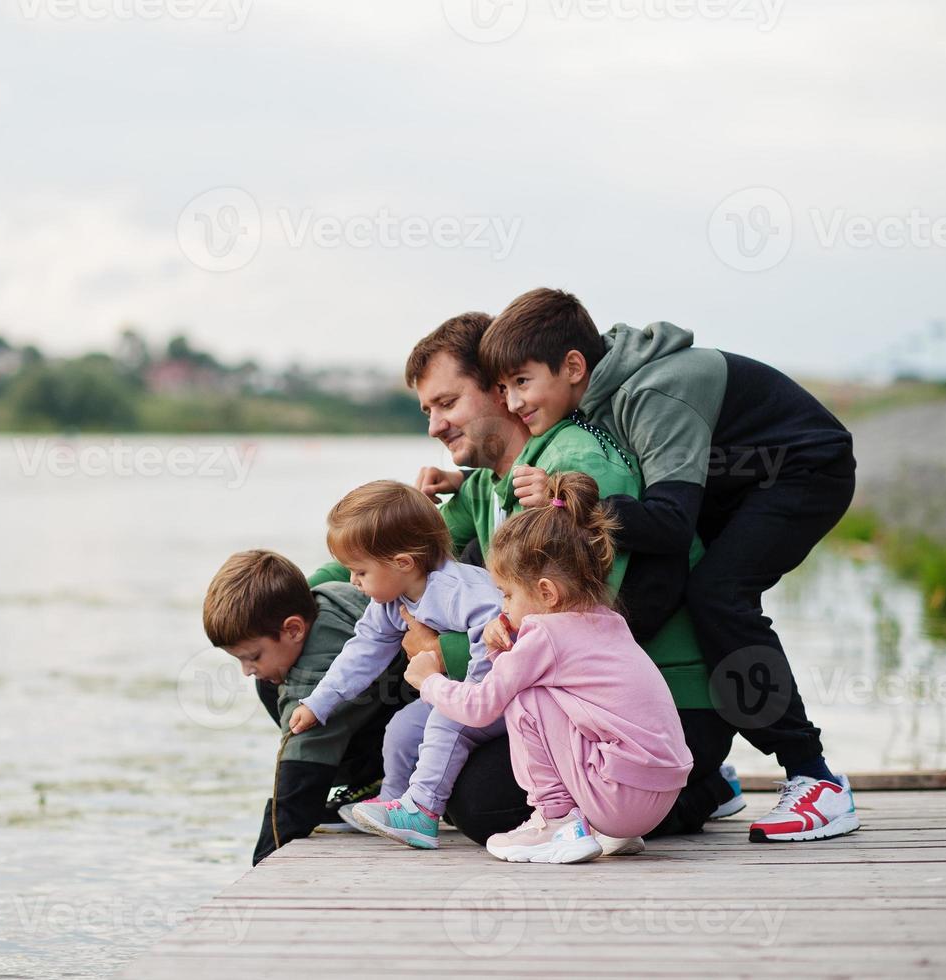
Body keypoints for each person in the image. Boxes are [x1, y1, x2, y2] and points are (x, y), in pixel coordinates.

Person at [482, 287, 861, 843]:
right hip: (736, 482)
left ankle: (814, 775)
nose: (513, 402)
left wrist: (564, 499)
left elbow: (670, 520)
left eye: (521, 382)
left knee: (719, 594)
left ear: (572, 366)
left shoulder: (656, 391)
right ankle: (705, 769)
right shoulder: (599, 394)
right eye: (503, 388)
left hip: (803, 471)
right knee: (674, 572)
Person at [391, 312, 742, 842]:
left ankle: (698, 789)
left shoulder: (571, 468)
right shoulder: (488, 483)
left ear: (496, 389)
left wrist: (444, 654)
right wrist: (325, 582)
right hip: (576, 694)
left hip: (661, 701)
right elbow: (414, 551)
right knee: (434, 742)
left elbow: (585, 619)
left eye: (447, 403)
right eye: (428, 410)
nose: (435, 426)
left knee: (480, 806)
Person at [405, 472, 694, 863]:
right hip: (659, 798)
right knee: (545, 693)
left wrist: (430, 681)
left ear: (546, 592)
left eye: (507, 594)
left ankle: (556, 821)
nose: (502, 607)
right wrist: (500, 648)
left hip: (619, 795)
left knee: (526, 696)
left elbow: (480, 708)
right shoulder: (608, 621)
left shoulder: (545, 632)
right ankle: (600, 830)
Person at [288, 480, 503, 849]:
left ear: (403, 563)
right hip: (453, 693)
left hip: (502, 695)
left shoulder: (457, 590)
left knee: (445, 720)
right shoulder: (392, 600)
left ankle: (422, 811)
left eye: (360, 572)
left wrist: (469, 691)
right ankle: (393, 801)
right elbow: (362, 650)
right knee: (402, 727)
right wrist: (318, 702)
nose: (352, 581)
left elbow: (497, 628)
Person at [203, 549, 407, 865]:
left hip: (427, 721)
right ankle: (371, 782)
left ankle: (385, 780)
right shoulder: (330, 596)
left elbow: (301, 757)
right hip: (395, 709)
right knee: (270, 680)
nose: (245, 669)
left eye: (253, 656)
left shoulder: (317, 665)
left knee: (285, 695)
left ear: (294, 629)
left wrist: (268, 859)